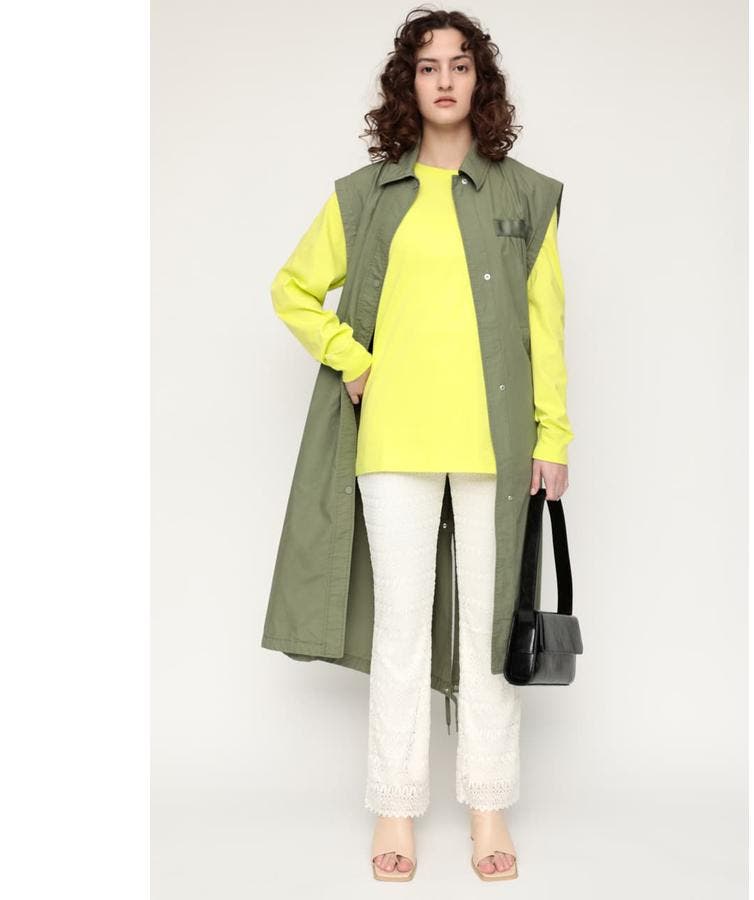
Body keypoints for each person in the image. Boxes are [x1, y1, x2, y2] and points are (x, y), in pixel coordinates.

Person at [269, 7, 572, 882]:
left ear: (482, 81)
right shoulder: (365, 195)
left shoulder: (527, 195)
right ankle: (396, 809)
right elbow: (293, 290)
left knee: (489, 630)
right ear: (408, 84)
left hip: (496, 445)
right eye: (429, 66)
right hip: (394, 442)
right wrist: (352, 358)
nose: (445, 79)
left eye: (461, 64)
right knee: (400, 633)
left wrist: (554, 434)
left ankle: (488, 807)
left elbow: (546, 329)